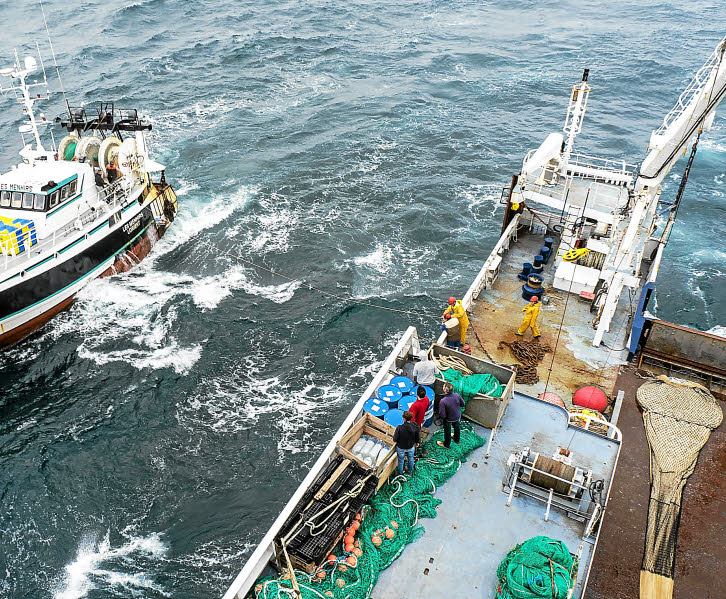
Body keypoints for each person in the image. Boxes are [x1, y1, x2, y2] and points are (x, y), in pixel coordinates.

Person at [437, 382, 464, 448]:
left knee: (447, 431)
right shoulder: (457, 395)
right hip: (457, 416)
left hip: (448, 419)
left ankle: (446, 444)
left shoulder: (443, 401)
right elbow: (463, 404)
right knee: (456, 427)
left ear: (445, 390)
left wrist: (444, 418)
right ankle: (457, 439)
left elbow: (442, 414)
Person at [393, 411, 420, 475]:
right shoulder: (415, 426)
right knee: (411, 459)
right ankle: (410, 472)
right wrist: (417, 442)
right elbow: (417, 435)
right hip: (410, 447)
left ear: (404, 419)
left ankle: (400, 474)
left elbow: (395, 439)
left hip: (401, 447)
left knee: (401, 461)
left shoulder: (399, 428)